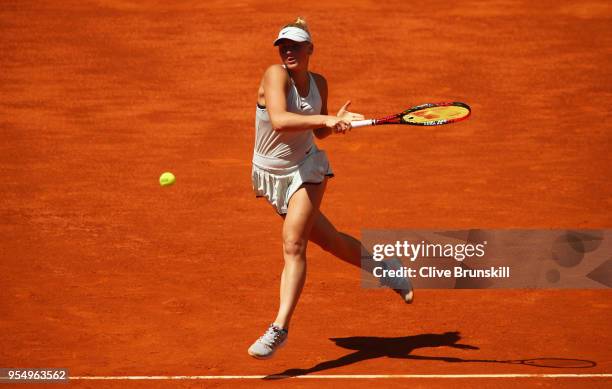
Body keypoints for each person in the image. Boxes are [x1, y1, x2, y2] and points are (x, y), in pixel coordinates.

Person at [248, 17, 413, 360]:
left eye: (295, 45)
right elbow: (280, 120)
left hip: (307, 168)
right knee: (330, 240)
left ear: (310, 49)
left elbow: (319, 132)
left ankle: (279, 328)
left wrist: (335, 121)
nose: (289, 51)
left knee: (294, 242)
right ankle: (386, 268)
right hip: (271, 174)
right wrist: (326, 120)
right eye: (284, 46)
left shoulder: (319, 83)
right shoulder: (274, 75)